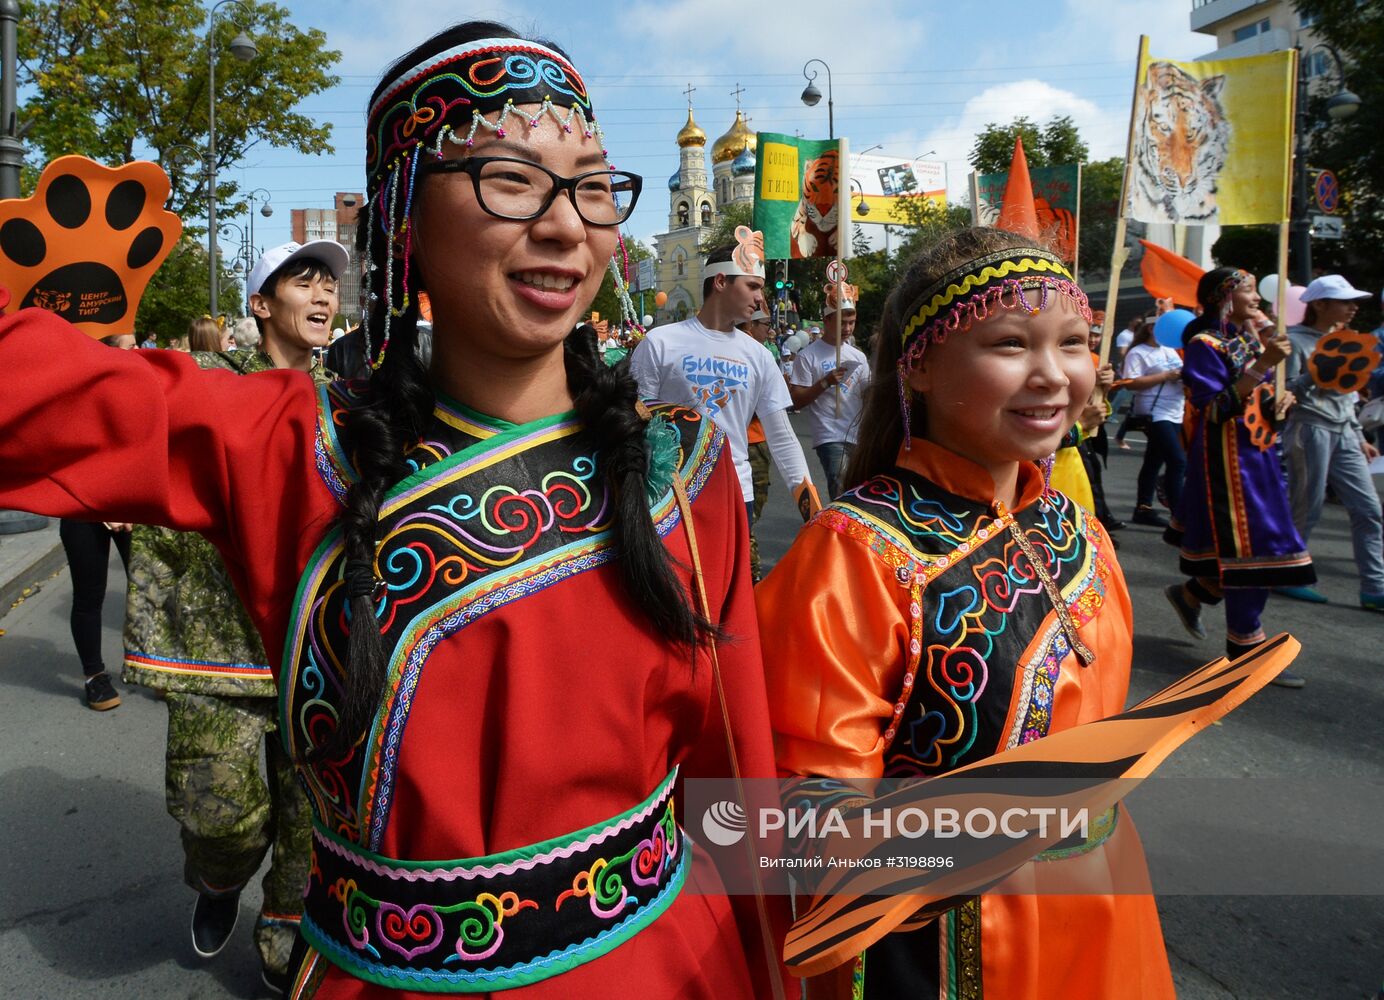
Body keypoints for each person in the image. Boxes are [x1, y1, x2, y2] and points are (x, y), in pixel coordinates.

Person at [0, 22, 787, 998]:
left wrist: (779, 966)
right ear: (405, 218)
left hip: (670, 967)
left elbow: (739, 779)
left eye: (591, 185)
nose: (565, 224)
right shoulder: (293, 449)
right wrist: (53, 292)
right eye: (510, 178)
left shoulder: (682, 467)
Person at [757, 229, 1175, 998]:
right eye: (1011, 344)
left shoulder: (1078, 530)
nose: (1053, 376)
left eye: (1075, 344)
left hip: (1104, 901)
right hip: (947, 948)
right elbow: (802, 800)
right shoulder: (855, 554)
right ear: (916, 365)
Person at [120, 238, 347, 991]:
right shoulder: (211, 381)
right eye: (301, 281)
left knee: (310, 828)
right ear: (260, 305)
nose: (322, 294)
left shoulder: (349, 403)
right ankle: (218, 881)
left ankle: (286, 939)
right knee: (216, 806)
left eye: (329, 284)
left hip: (315, 653)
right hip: (213, 647)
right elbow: (137, 403)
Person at [1164, 268, 1314, 687]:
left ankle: (1193, 593)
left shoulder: (1248, 339)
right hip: (1227, 463)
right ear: (1223, 298)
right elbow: (1213, 409)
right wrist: (1263, 366)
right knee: (1252, 550)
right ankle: (1246, 650)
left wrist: (1277, 401)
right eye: (1248, 290)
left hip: (1258, 456)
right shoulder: (1203, 345)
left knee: (1246, 548)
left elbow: (1254, 402)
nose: (1258, 299)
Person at [631, 233, 820, 523]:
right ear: (721, 282)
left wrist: (811, 508)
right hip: (671, 496)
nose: (760, 298)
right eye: (753, 286)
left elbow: (782, 437)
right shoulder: (660, 343)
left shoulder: (759, 356)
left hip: (736, 493)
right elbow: (635, 421)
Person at [1278, 274, 1384, 610]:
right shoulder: (1292, 341)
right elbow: (1284, 391)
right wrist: (1316, 373)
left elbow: (1347, 394)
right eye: (1345, 301)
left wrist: (1356, 432)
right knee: (1306, 508)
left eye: (1355, 301)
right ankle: (1288, 575)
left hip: (1345, 433)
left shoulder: (1345, 339)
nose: (1353, 307)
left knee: (1369, 510)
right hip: (1309, 429)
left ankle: (1375, 588)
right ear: (1320, 304)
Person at [58, 332, 137, 711]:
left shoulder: (138, 388)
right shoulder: (70, 396)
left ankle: (150, 663)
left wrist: (129, 503)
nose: (138, 351)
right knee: (89, 595)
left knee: (146, 588)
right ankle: (95, 676)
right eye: (130, 344)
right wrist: (102, 505)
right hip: (82, 509)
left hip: (130, 508)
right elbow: (62, 459)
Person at [788, 282, 870, 499]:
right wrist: (825, 383)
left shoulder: (858, 356)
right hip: (829, 435)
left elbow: (867, 394)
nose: (848, 329)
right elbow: (796, 400)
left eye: (851, 323)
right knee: (840, 484)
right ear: (826, 320)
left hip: (858, 433)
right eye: (842, 323)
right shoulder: (808, 356)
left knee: (860, 488)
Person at [1121, 316, 1186, 527]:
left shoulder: (1169, 350)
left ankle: (1143, 508)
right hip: (1154, 412)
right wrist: (1165, 376)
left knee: (1154, 461)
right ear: (1151, 328)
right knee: (1177, 461)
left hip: (1175, 411)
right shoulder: (1138, 352)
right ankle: (1179, 515)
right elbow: (1130, 383)